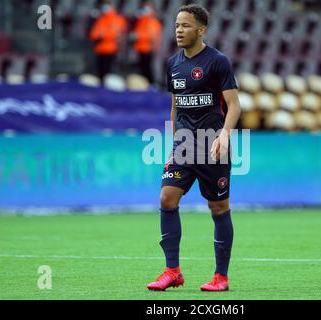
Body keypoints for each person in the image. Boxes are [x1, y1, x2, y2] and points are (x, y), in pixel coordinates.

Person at [147, 4, 241, 292]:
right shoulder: (172, 64)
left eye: (185, 25)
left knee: (218, 206)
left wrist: (225, 135)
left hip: (212, 144)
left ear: (201, 30)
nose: (178, 30)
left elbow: (235, 105)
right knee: (166, 198)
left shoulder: (218, 62)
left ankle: (221, 277)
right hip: (184, 146)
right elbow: (175, 106)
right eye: (176, 25)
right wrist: (174, 141)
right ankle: (172, 271)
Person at [89, 0, 127, 82]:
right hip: (100, 49)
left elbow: (118, 34)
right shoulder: (100, 19)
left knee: (109, 72)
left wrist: (104, 36)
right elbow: (93, 34)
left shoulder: (117, 19)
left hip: (111, 49)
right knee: (100, 71)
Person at [130, 0, 162, 84]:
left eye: (147, 6)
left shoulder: (153, 21)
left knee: (147, 69)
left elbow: (151, 36)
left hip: (148, 48)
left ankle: (152, 85)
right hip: (140, 47)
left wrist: (138, 36)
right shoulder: (141, 21)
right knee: (142, 68)